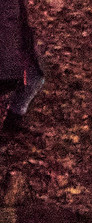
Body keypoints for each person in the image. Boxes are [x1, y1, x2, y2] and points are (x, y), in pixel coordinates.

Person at [0, 0, 44, 136]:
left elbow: (21, 25)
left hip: (13, 54)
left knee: (35, 78)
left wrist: (29, 49)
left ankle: (13, 120)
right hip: (6, 62)